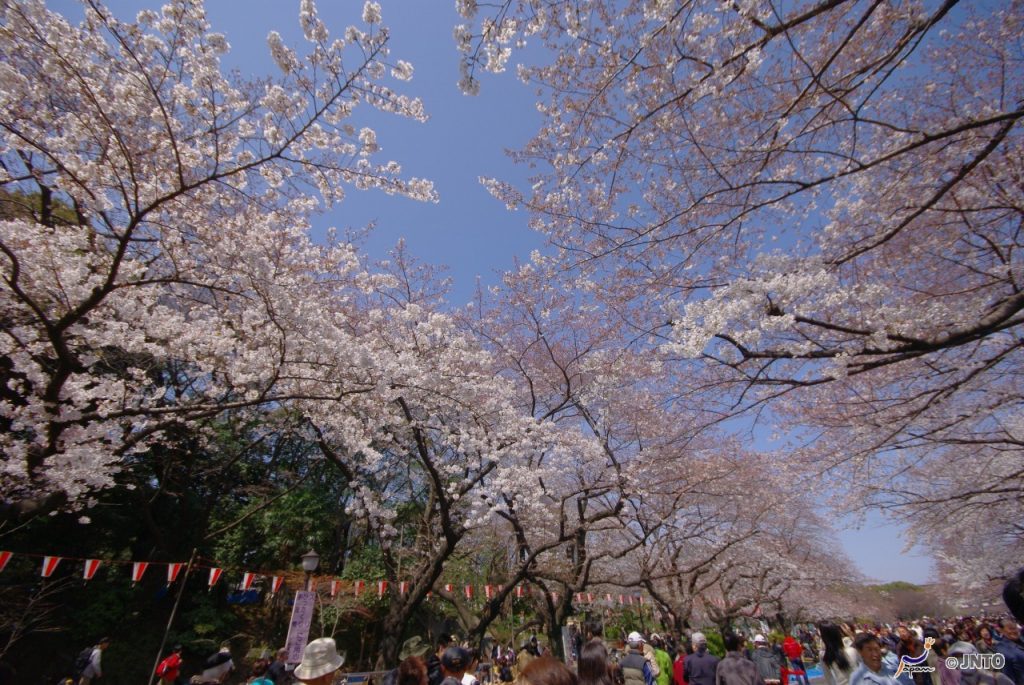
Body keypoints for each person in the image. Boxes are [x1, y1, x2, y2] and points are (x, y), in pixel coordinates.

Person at [993, 620, 1024, 685]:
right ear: (1001, 630)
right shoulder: (1002, 650)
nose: (1014, 631)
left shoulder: (1022, 639)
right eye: (1010, 629)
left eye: (1015, 628)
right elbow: (1008, 678)